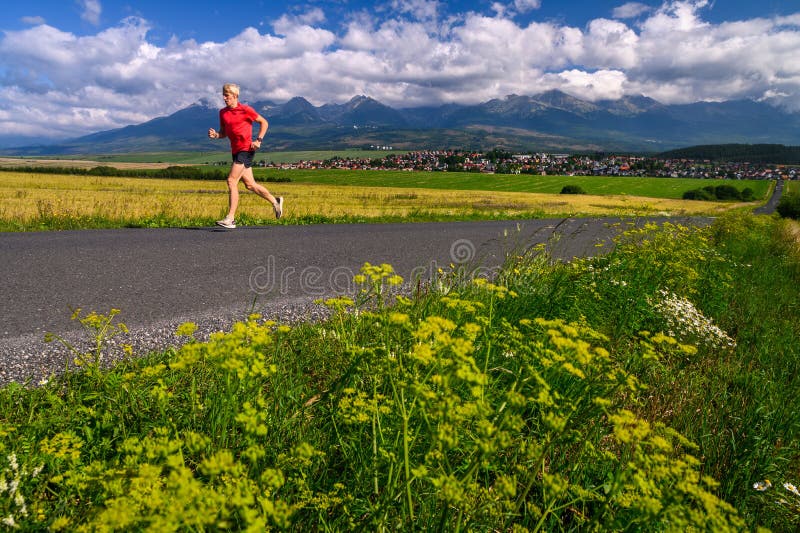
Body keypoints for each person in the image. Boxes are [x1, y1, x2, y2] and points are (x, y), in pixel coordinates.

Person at [207, 83, 283, 229]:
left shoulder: (246, 110)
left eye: (227, 95)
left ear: (235, 96)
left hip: (246, 150)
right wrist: (216, 135)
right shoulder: (223, 113)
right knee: (250, 185)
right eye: (223, 95)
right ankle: (275, 201)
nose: (224, 98)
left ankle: (230, 218)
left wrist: (258, 140)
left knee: (231, 180)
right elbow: (224, 133)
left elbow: (264, 122)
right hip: (235, 151)